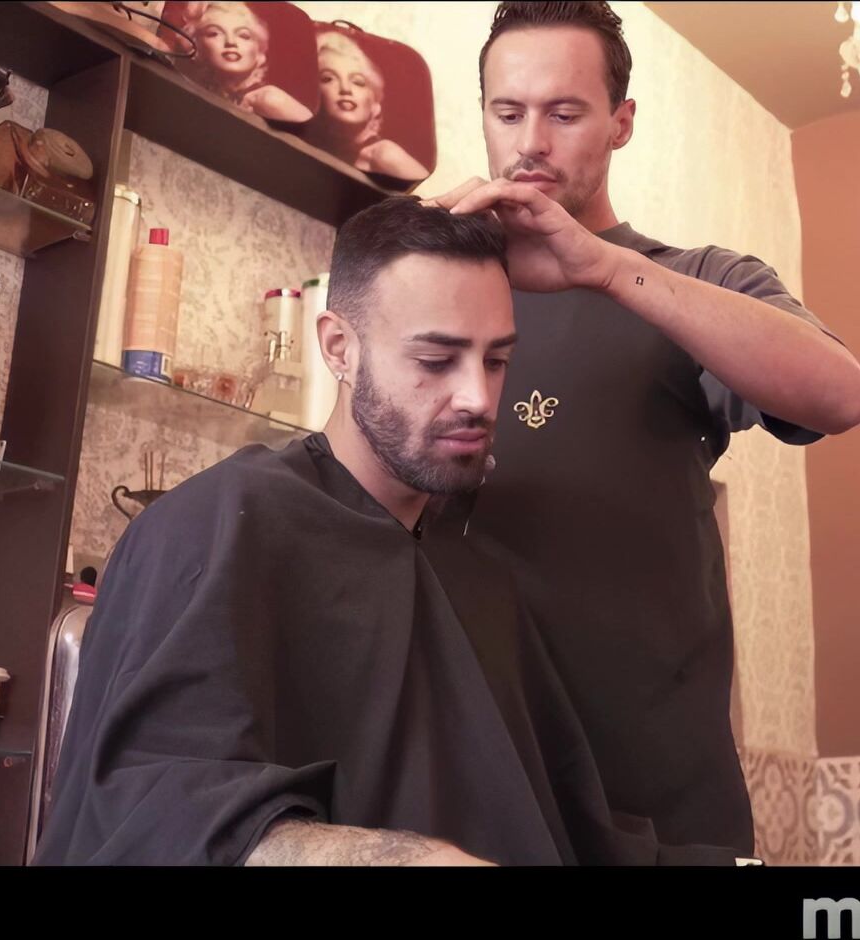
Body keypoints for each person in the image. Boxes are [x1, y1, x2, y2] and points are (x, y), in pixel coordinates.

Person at [35, 197, 733, 866]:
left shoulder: (481, 574)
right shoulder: (218, 528)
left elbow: (571, 831)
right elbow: (155, 816)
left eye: (496, 361)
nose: (478, 397)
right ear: (339, 347)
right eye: (436, 361)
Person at [423, 1, 860, 854]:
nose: (530, 143)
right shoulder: (443, 294)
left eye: (564, 114)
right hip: (476, 800)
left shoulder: (695, 279)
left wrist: (602, 268)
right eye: (508, 112)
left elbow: (840, 396)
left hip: (665, 810)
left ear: (620, 123)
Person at [312, 27, 431, 181]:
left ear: (375, 104)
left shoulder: (385, 154)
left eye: (358, 82)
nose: (345, 89)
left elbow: (426, 195)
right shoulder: (321, 149)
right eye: (328, 78)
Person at [164, 1, 312, 122]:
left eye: (244, 36)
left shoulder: (269, 99)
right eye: (214, 33)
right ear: (198, 47)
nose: (231, 42)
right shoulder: (198, 87)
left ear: (260, 52)